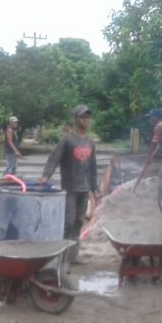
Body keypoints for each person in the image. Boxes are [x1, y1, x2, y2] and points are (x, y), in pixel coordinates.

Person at [40, 105, 98, 263]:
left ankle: (73, 257)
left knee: (79, 222)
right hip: (70, 189)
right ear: (75, 119)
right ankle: (61, 258)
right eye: (82, 117)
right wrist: (46, 176)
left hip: (84, 189)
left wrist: (95, 188)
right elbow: (54, 158)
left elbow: (93, 167)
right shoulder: (67, 140)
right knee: (68, 223)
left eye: (87, 117)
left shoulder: (90, 143)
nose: (86, 119)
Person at [134, 108, 162, 191]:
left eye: (150, 117)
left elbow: (154, 142)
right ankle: (161, 197)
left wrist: (148, 156)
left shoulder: (159, 126)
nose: (149, 120)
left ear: (155, 117)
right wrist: (151, 156)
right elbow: (159, 144)